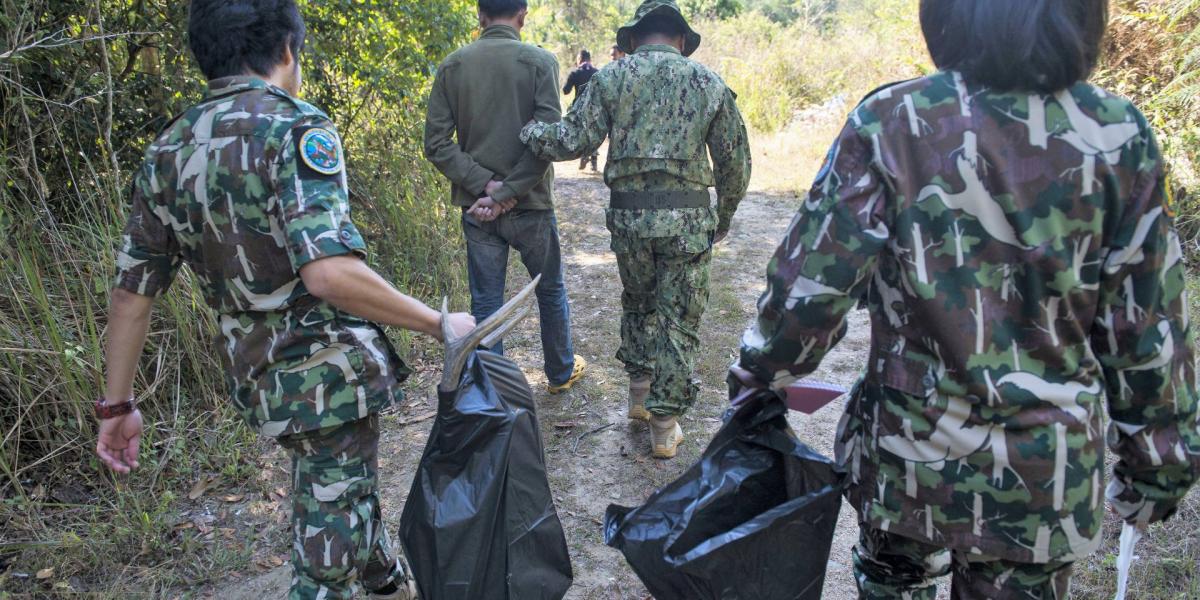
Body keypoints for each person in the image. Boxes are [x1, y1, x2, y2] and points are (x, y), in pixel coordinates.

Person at [730, 0, 1200, 597]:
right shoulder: (1118, 134)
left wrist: (760, 373)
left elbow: (810, 290)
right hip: (1044, 480)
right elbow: (1147, 326)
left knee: (893, 584)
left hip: (907, 463)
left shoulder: (892, 120)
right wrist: (1159, 462)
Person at [94, 1, 475, 598]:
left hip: (259, 375)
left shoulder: (167, 150)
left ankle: (382, 578)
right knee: (324, 562)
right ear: (288, 49)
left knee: (339, 485)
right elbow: (327, 272)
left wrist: (116, 408)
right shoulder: (296, 126)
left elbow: (130, 295)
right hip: (326, 375)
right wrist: (437, 323)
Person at [521, 0, 751, 459]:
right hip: (687, 223)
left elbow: (571, 141)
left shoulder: (610, 78)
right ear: (681, 40)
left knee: (639, 302)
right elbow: (735, 165)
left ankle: (639, 394)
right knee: (678, 320)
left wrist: (529, 132)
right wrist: (721, 218)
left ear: (633, 38)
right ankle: (664, 425)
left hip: (629, 221)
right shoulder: (708, 82)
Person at [424, 0, 587, 395]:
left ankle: (493, 389)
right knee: (548, 289)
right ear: (522, 16)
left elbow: (436, 144)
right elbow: (550, 139)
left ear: (480, 16)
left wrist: (485, 187)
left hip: (478, 209)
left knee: (487, 302)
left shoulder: (453, 66)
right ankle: (560, 372)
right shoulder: (539, 62)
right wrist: (509, 190)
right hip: (530, 204)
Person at [562, 49, 600, 171]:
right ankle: (594, 161)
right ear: (590, 59)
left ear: (579, 59)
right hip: (595, 108)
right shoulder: (598, 73)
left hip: (578, 108)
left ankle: (583, 156)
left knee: (580, 132)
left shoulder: (575, 73)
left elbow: (565, 91)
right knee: (594, 132)